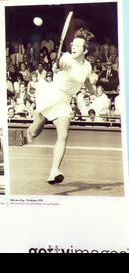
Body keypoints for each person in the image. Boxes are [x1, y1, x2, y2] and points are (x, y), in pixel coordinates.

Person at [27, 28, 95, 184]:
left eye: (78, 46)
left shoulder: (87, 66)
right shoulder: (66, 57)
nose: (73, 47)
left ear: (85, 50)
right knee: (34, 131)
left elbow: (85, 79)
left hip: (64, 102)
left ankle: (54, 171)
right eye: (72, 44)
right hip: (50, 96)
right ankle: (29, 134)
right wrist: (57, 67)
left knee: (63, 135)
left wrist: (91, 91)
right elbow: (61, 65)